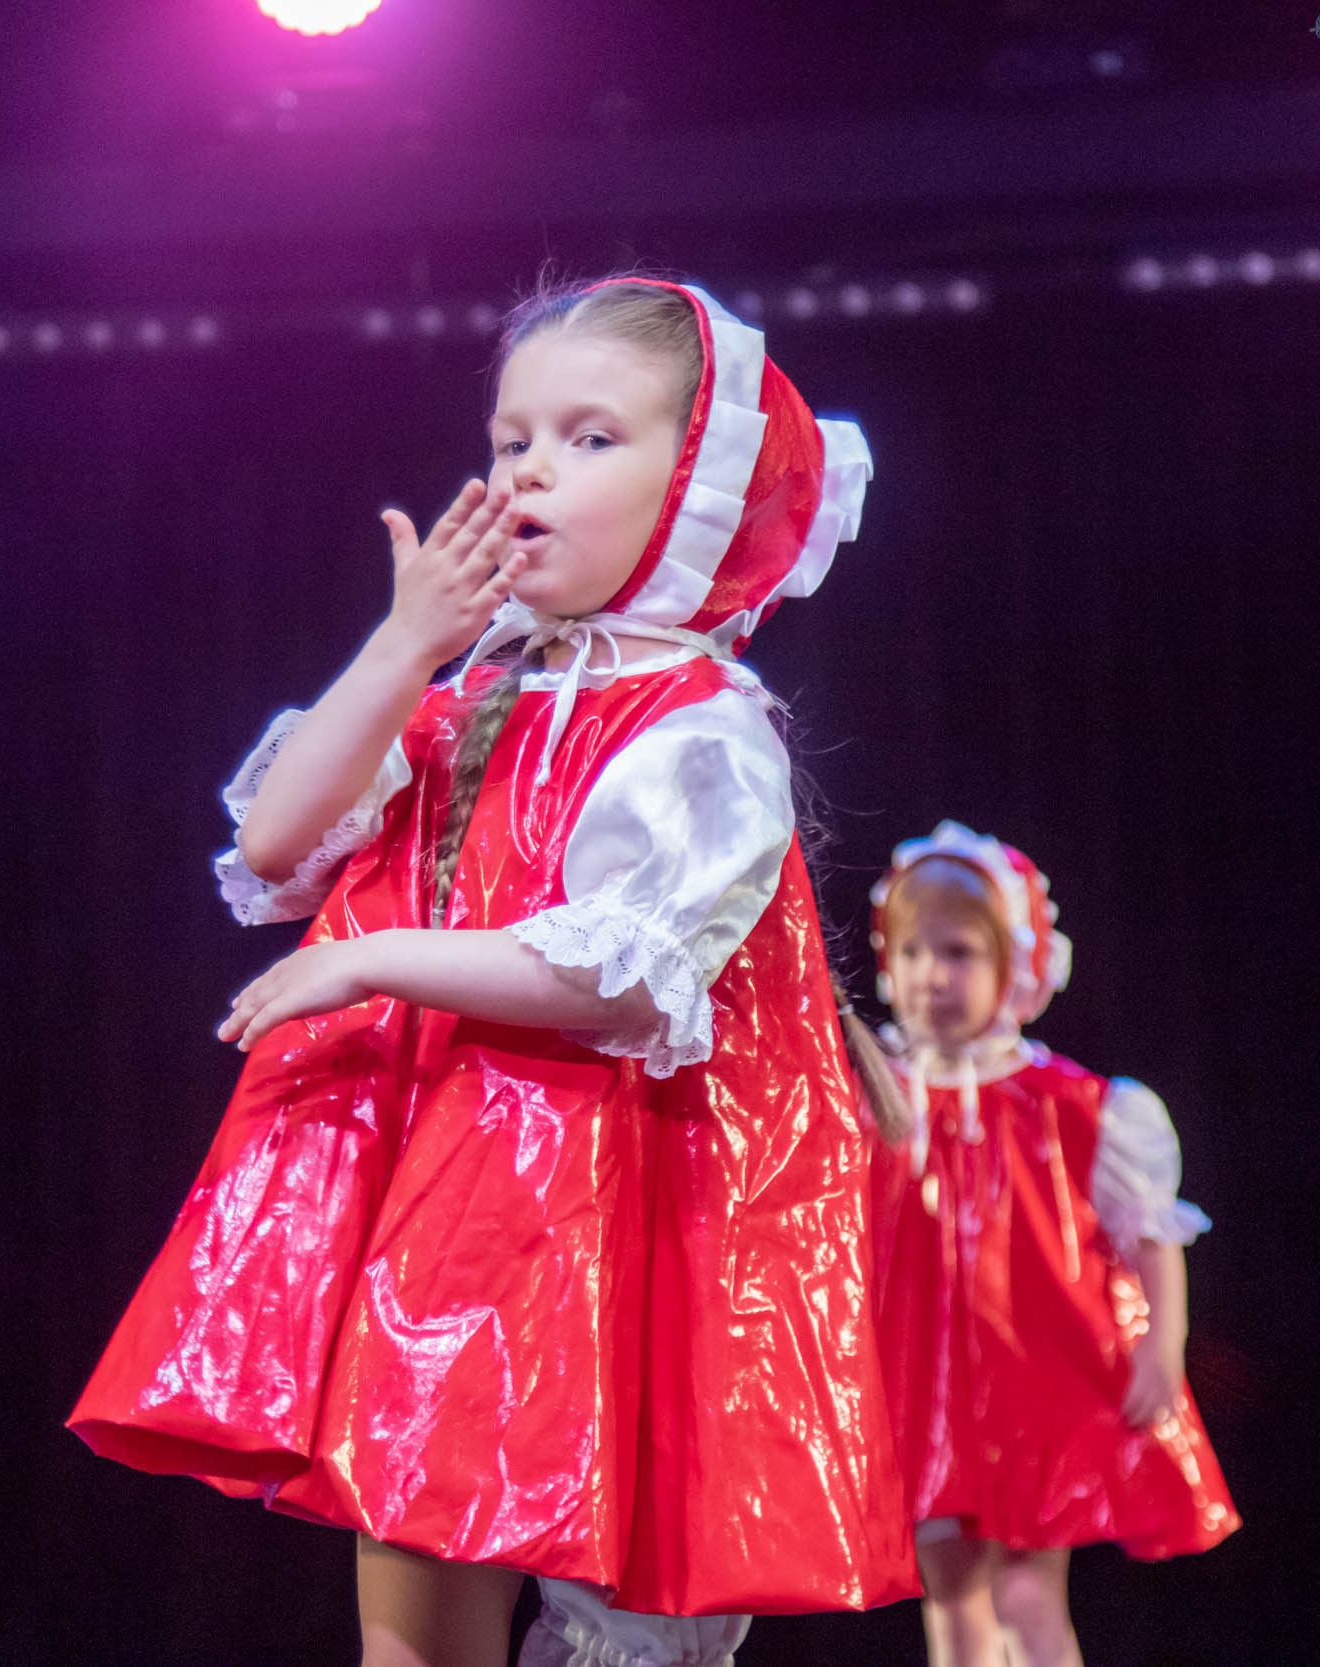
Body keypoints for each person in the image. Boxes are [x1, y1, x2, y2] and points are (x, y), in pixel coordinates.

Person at [69, 275, 916, 1667]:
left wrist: (370, 963)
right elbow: (276, 840)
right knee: (409, 1594)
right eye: (513, 434)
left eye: (591, 437)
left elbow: (622, 975)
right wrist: (408, 642)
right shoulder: (464, 697)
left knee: (628, 1625)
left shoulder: (706, 730)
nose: (530, 465)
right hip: (453, 1208)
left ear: (703, 482)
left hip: (627, 1203)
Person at [864, 822, 1238, 1667]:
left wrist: (1162, 1346)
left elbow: (1149, 1233)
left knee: (1030, 1597)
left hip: (1034, 1380)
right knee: (955, 1603)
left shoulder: (1066, 1103)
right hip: (923, 1384)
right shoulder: (875, 1096)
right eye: (915, 951)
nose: (934, 974)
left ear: (1018, 966)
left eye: (959, 952)